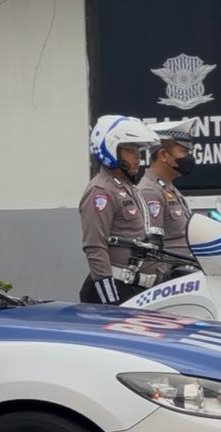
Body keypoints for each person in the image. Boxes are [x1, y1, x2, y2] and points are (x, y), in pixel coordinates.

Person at [78, 114, 163, 305]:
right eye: (130, 150)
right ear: (111, 150)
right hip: (116, 291)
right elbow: (95, 247)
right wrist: (111, 302)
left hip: (137, 290)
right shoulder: (100, 191)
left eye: (139, 150)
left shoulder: (127, 187)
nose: (138, 157)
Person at [139, 118, 196, 259]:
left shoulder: (168, 188)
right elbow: (151, 249)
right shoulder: (150, 191)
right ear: (164, 155)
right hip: (171, 276)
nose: (189, 157)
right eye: (184, 152)